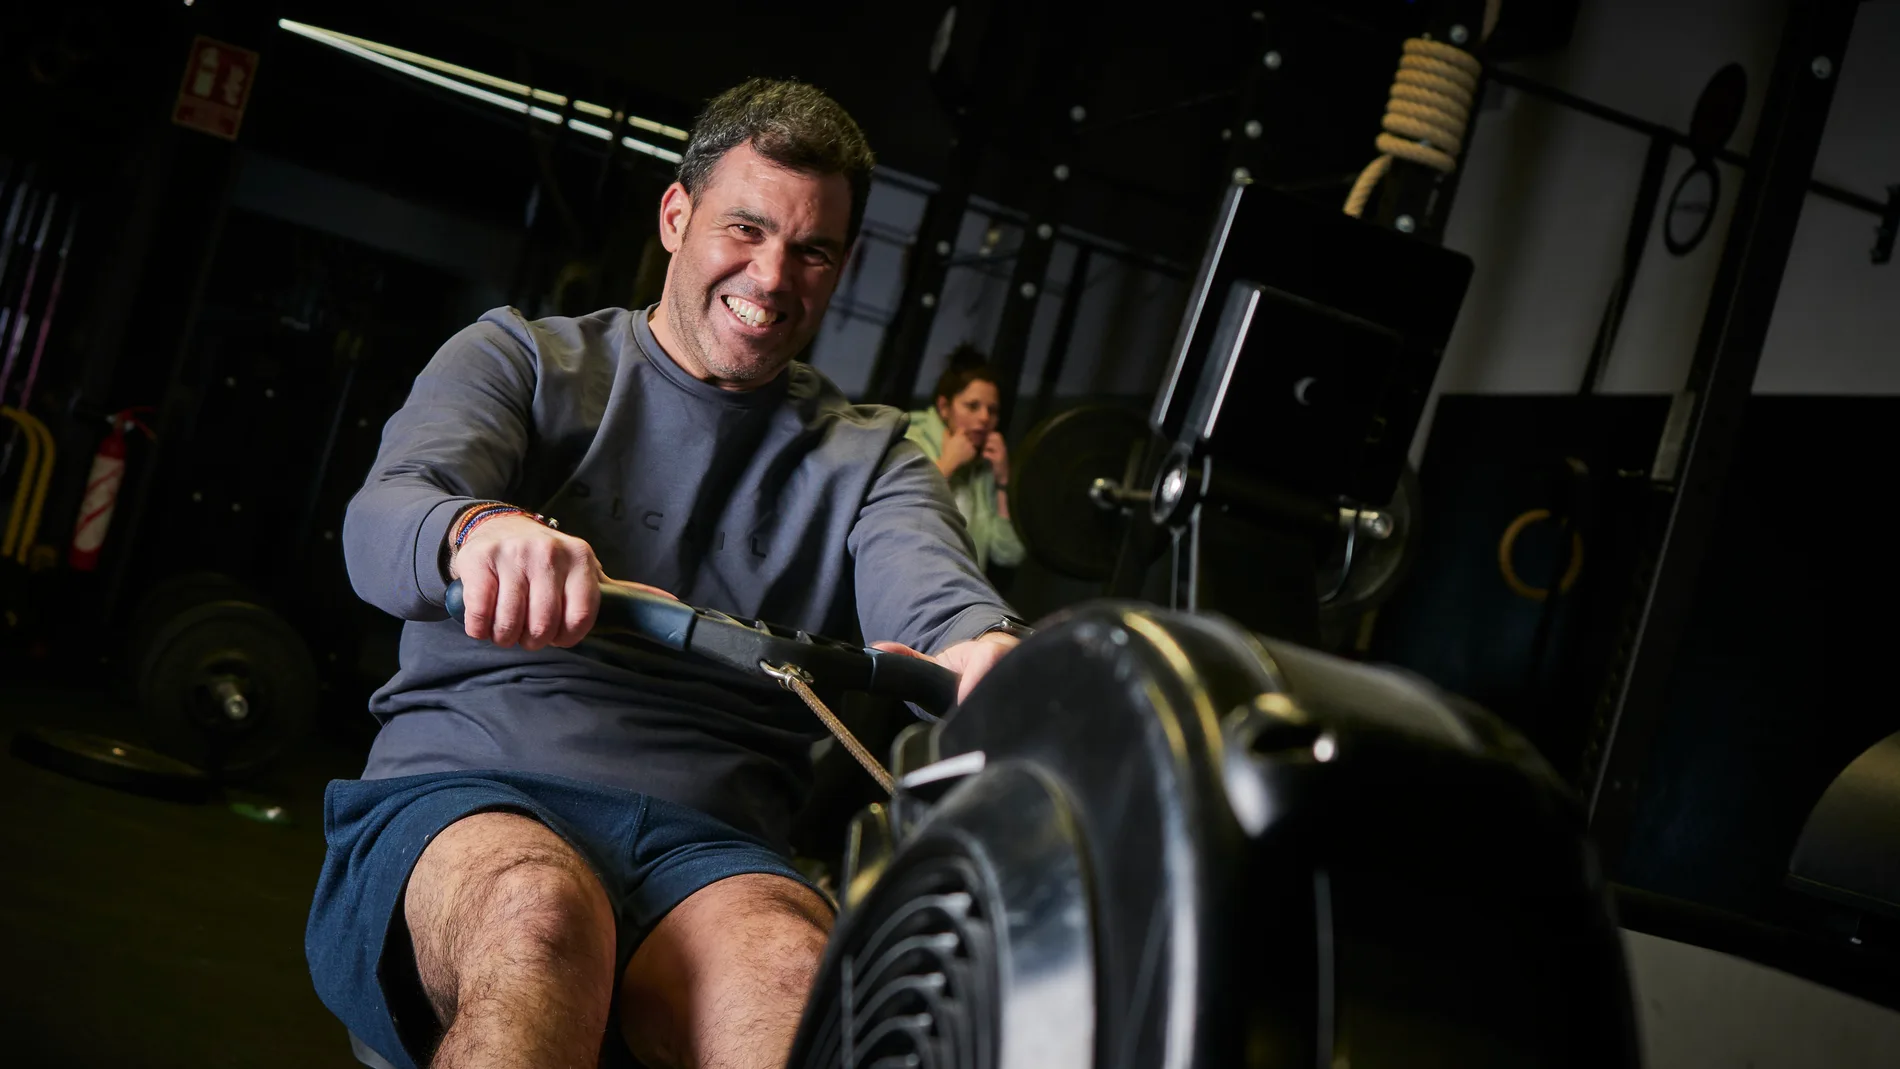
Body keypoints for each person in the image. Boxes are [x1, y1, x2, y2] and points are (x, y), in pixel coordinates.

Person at [305, 78, 1028, 1069]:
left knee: (792, 978)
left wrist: (989, 653)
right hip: (468, 797)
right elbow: (385, 517)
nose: (772, 277)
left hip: (712, 849)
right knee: (538, 914)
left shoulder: (872, 460)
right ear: (677, 216)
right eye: (746, 229)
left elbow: (941, 598)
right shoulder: (522, 360)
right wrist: (478, 529)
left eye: (812, 251)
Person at [904, 346, 1025, 571]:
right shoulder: (909, 439)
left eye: (993, 410)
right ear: (944, 407)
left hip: (959, 587)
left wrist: (1003, 482)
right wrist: (946, 466)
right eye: (972, 406)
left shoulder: (984, 463)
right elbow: (897, 517)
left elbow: (1009, 554)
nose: (984, 418)